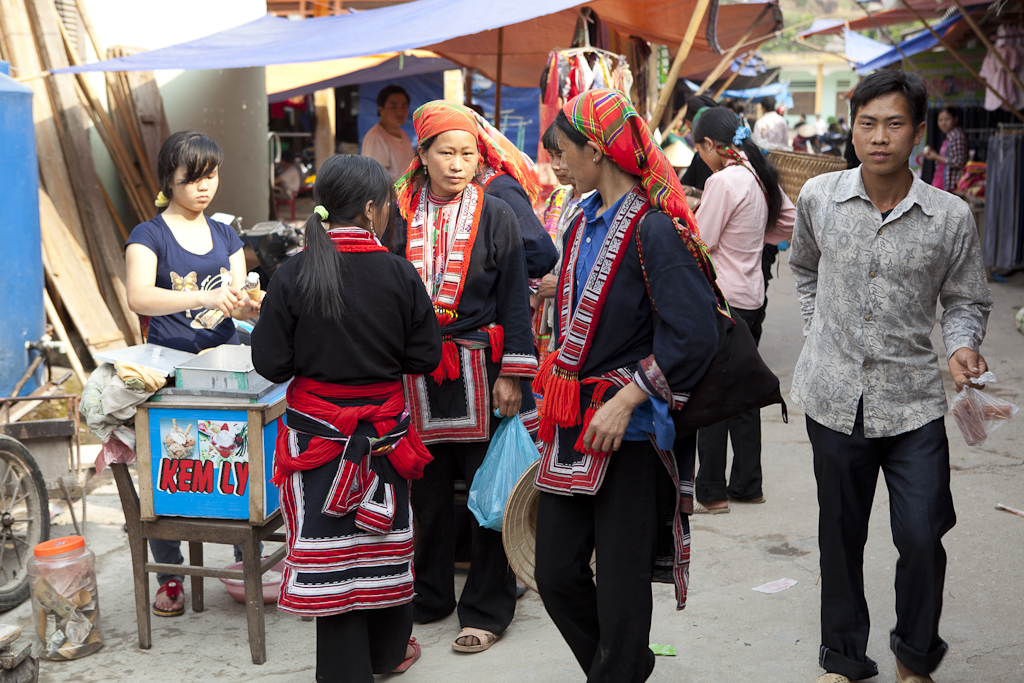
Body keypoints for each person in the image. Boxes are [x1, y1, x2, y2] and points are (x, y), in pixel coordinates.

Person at [788, 70, 992, 683]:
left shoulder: (950, 217)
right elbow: (802, 270)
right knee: (840, 541)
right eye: (867, 123)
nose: (879, 137)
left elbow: (966, 299)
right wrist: (817, 331)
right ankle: (845, 660)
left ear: (919, 133)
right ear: (851, 129)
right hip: (833, 400)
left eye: (894, 124)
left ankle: (914, 658)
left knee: (924, 535)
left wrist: (961, 345)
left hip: (913, 405)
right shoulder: (819, 199)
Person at [534, 89, 720, 682]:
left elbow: (694, 334)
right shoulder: (580, 220)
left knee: (620, 585)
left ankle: (617, 667)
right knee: (555, 571)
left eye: (564, 152)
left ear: (597, 149)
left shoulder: (654, 230)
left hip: (630, 430)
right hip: (573, 424)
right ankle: (624, 668)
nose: (557, 164)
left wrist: (630, 398)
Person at [251, 155, 440, 682]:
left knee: (333, 552)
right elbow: (425, 357)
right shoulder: (401, 274)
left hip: (318, 443)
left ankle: (346, 670)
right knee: (382, 542)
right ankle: (387, 656)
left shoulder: (292, 274)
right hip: (382, 437)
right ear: (375, 209)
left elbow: (270, 361)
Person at [390, 100, 540, 654]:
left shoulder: (497, 212)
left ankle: (487, 608)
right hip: (418, 377)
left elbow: (514, 303)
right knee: (425, 496)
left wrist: (514, 376)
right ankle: (430, 598)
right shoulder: (399, 213)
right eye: (446, 152)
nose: (458, 163)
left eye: (468, 153)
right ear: (422, 155)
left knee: (488, 496)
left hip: (481, 371)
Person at [125, 131, 261, 617]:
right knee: (167, 475)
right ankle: (170, 577)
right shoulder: (149, 235)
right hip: (168, 374)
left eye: (211, 176)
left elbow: (242, 298)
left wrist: (251, 302)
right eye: (193, 178)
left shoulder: (226, 234)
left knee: (236, 465)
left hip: (224, 369)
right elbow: (139, 296)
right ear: (170, 179)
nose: (205, 187)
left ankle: (246, 557)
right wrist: (203, 297)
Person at [689, 107, 795, 514]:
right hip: (752, 298)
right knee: (744, 388)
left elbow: (703, 241)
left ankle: (712, 491)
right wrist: (754, 239)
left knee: (713, 391)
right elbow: (787, 220)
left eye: (700, 150)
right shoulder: (758, 174)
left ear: (711, 146)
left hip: (722, 298)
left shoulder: (723, 181)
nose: (701, 158)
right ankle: (748, 484)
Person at [535, 123, 584, 368]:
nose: (556, 165)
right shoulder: (560, 197)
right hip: (553, 313)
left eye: (562, 155)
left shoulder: (593, 203)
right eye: (552, 156)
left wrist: (564, 285)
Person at [361, 85, 415, 182]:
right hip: (393, 197)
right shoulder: (376, 137)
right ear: (381, 110)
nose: (400, 112)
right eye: (393, 107)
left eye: (404, 106)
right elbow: (377, 180)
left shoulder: (403, 134)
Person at [678, 94, 720, 195]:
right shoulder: (698, 157)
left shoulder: (724, 172)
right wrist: (693, 191)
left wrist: (697, 202)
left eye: (692, 130)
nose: (692, 137)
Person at [923, 106, 967, 192]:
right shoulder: (948, 136)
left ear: (955, 119)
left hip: (950, 185)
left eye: (947, 119)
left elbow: (958, 162)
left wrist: (936, 157)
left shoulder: (957, 136)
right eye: (940, 120)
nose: (943, 123)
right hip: (940, 180)